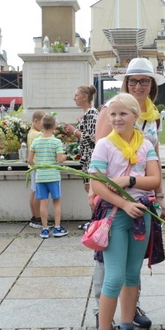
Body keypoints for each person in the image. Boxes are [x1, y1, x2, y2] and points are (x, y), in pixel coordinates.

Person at [92, 57, 165, 330]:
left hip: (141, 198)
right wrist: (98, 192)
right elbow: (101, 152)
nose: (138, 85)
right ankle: (103, 316)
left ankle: (129, 311)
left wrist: (159, 195)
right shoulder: (111, 109)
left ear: (152, 84)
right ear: (125, 83)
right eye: (133, 81)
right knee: (109, 262)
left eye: (144, 81)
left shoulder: (152, 114)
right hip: (112, 196)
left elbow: (154, 156)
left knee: (133, 265)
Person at [89, 93, 161, 330]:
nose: (117, 119)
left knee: (132, 275)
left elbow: (155, 179)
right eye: (113, 114)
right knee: (114, 276)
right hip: (115, 215)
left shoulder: (145, 145)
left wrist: (131, 180)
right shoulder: (104, 146)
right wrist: (123, 203)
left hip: (140, 214)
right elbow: (97, 185)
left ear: (136, 117)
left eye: (123, 114)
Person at [63, 85, 98, 230]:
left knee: (93, 192)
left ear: (85, 97)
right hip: (87, 159)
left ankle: (96, 222)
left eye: (77, 95)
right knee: (89, 190)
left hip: (91, 159)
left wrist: (74, 131)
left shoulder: (91, 114)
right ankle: (94, 221)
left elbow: (92, 139)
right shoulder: (88, 114)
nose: (74, 98)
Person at [28, 114, 68, 239]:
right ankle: (57, 227)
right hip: (53, 176)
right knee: (56, 202)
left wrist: (38, 167)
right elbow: (60, 160)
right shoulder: (56, 142)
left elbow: (29, 160)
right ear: (54, 126)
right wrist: (66, 157)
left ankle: (45, 229)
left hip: (40, 177)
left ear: (42, 126)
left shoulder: (36, 141)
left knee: (43, 203)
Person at [26, 111, 46, 229]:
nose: (43, 126)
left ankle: (34, 216)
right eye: (42, 123)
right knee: (38, 193)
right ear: (36, 121)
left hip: (33, 166)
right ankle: (38, 218)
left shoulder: (31, 133)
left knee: (34, 192)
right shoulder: (37, 135)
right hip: (37, 166)